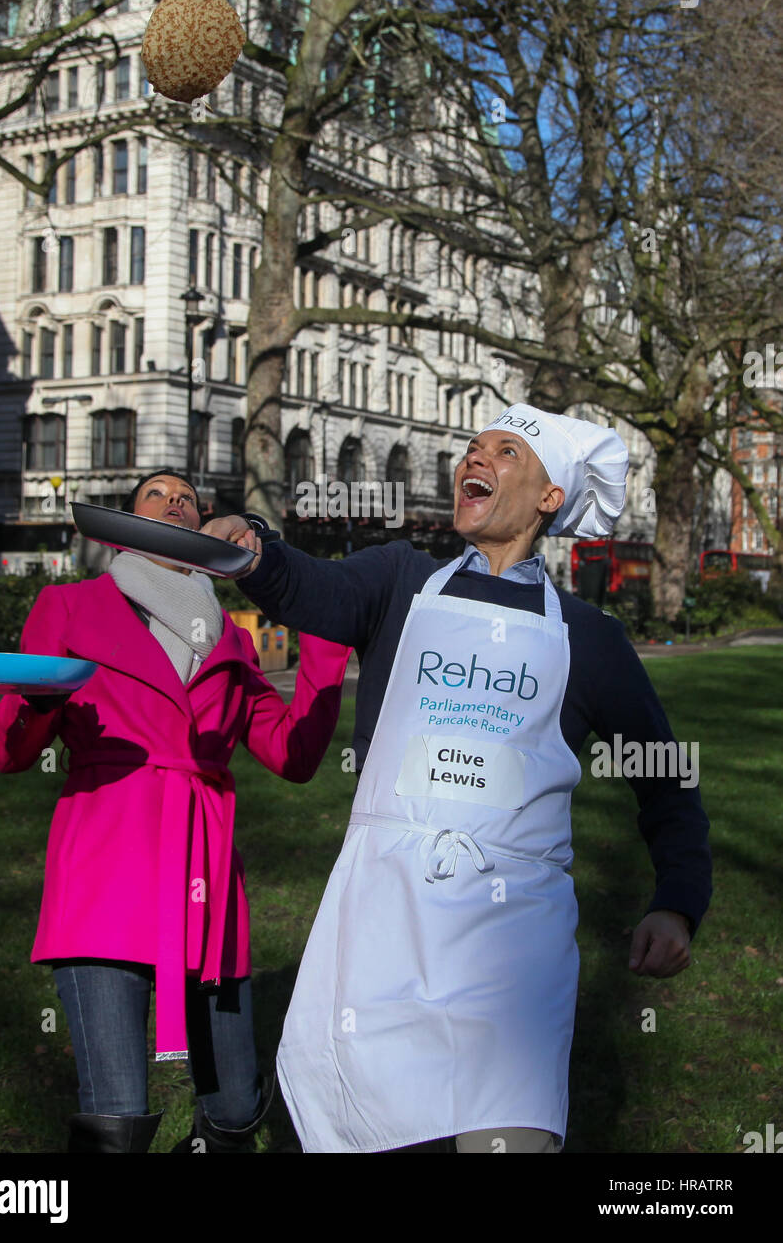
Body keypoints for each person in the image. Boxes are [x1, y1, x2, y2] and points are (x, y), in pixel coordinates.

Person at [203, 404, 712, 1154]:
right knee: (370, 1126)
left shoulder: (589, 638)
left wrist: (677, 902)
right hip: (384, 917)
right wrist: (253, 550)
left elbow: (665, 780)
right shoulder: (399, 579)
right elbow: (316, 590)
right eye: (473, 448)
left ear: (548, 498)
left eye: (506, 451)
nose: (475, 458)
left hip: (513, 946)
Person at [0, 470, 351, 1154]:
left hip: (206, 882)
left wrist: (325, 646)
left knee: (239, 1111)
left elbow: (293, 756)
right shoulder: (69, 606)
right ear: (129, 519)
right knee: (116, 1119)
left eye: (187, 497)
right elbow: (7, 751)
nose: (175, 501)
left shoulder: (233, 642)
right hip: (105, 870)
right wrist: (37, 702)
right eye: (157, 494)